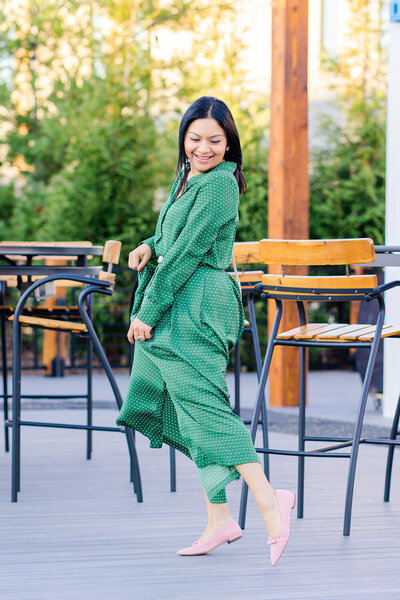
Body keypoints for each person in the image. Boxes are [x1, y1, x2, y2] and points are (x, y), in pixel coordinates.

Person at [116, 96, 295, 566]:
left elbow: (192, 251)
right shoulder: (187, 178)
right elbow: (175, 239)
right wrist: (148, 245)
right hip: (178, 297)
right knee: (178, 403)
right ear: (184, 139)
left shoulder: (220, 185)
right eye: (195, 139)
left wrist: (148, 311)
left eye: (214, 140)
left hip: (194, 305)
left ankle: (270, 502)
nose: (203, 148)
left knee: (205, 406)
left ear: (229, 142)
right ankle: (220, 519)